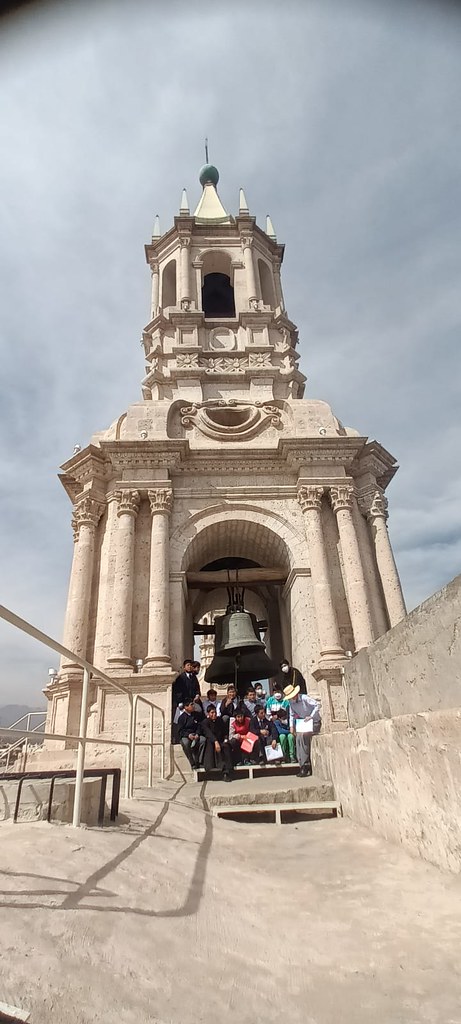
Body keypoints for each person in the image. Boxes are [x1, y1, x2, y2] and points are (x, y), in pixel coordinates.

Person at [283, 683, 321, 777]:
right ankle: (301, 763)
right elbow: (291, 715)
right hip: (303, 723)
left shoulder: (304, 698)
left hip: (313, 722)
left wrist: (311, 716)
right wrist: (291, 726)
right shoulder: (291, 703)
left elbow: (317, 705)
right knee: (298, 738)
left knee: (304, 737)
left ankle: (305, 764)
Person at [200, 705, 233, 781]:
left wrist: (225, 739)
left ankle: (226, 772)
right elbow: (208, 733)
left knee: (226, 747)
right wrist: (215, 741)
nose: (214, 714)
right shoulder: (205, 722)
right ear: (208, 713)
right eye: (212, 713)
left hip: (220, 740)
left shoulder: (219, 720)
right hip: (211, 742)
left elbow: (224, 731)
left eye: (215, 712)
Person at [172, 659, 199, 743]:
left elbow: (197, 688)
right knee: (178, 720)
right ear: (184, 667)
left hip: (192, 701)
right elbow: (178, 690)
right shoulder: (181, 677)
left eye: (191, 665)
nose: (190, 667)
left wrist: (197, 694)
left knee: (198, 712)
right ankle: (177, 738)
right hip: (183, 702)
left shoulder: (193, 677)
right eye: (188, 665)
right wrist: (180, 701)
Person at [176, 698, 206, 768]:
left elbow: (199, 725)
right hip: (186, 735)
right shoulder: (181, 718)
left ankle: (199, 761)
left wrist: (197, 733)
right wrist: (188, 735)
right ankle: (192, 762)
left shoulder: (197, 715)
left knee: (203, 740)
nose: (193, 706)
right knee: (186, 743)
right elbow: (180, 730)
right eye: (191, 705)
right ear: (186, 707)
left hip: (196, 734)